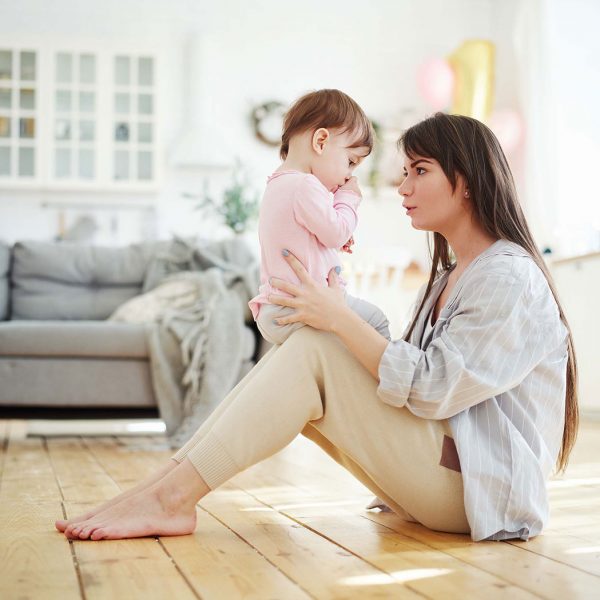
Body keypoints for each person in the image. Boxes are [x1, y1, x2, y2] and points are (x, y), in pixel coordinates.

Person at [55, 112, 578, 543]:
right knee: (316, 340)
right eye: (405, 172)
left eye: (418, 171)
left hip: (479, 492)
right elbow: (408, 383)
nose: (401, 186)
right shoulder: (446, 278)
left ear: (464, 181)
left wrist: (339, 316)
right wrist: (336, 317)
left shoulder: (510, 277)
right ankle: (163, 488)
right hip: (444, 477)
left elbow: (432, 390)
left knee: (319, 343)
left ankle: (170, 497)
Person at [248, 88, 390, 344]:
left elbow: (312, 236)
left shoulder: (278, 185)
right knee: (376, 321)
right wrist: (349, 199)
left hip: (275, 308)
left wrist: (333, 229)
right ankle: (382, 384)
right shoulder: (305, 185)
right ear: (321, 142)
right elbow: (336, 233)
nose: (349, 176)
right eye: (351, 161)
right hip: (301, 306)